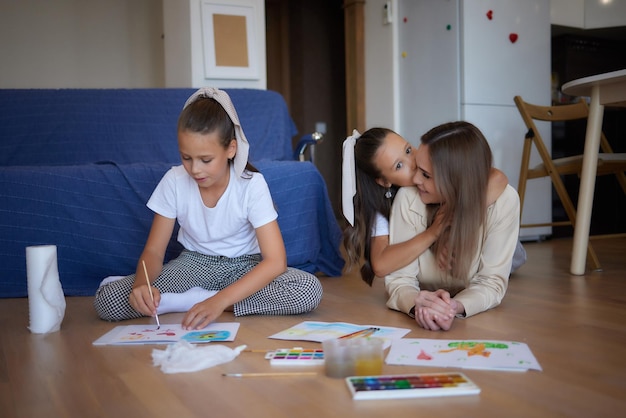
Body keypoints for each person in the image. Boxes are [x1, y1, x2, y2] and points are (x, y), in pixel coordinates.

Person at [94, 87, 323, 330]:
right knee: (108, 300)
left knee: (307, 290)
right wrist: (142, 286)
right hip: (193, 265)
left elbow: (275, 261)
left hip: (246, 266)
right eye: (186, 158)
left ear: (231, 149)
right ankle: (199, 299)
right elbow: (153, 251)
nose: (195, 170)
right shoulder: (174, 180)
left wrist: (218, 301)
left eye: (206, 160)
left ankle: (197, 300)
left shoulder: (251, 185)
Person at [342, 127, 525, 286]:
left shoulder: (434, 164)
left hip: (490, 253)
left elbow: (498, 178)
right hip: (446, 274)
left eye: (408, 150)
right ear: (384, 182)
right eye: (399, 165)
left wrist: (451, 226)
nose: (413, 162)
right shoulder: (386, 209)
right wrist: (434, 232)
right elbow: (381, 265)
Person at [384, 121, 520, 331]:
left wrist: (455, 307)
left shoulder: (505, 200)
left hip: (492, 243)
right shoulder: (409, 197)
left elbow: (491, 283)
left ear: (456, 181)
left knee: (517, 257)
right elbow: (399, 280)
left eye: (426, 175)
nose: (415, 178)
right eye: (418, 168)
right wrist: (417, 303)